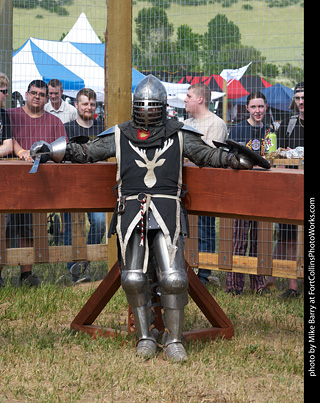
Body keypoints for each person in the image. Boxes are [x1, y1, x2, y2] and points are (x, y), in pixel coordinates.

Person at [30, 74, 257, 362]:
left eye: (153, 105)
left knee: (173, 278)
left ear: (162, 106)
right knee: (133, 277)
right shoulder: (119, 134)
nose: (148, 110)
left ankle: (174, 339)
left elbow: (204, 155)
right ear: (136, 105)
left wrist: (230, 159)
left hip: (166, 210)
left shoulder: (179, 133)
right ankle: (145, 336)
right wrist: (54, 151)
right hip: (131, 211)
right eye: (143, 105)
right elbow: (88, 152)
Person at [6, 79, 67, 286]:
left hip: (39, 185)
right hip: (8, 181)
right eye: (34, 93)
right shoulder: (10, 116)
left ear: (47, 98)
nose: (37, 97)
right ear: (26, 93)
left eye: (42, 95)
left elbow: (62, 151)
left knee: (28, 228)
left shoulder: (54, 122)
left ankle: (26, 274)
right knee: (4, 229)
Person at [225, 91, 272, 296]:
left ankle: (258, 284)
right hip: (242, 191)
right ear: (247, 109)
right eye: (253, 107)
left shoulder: (270, 131)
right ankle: (234, 285)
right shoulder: (238, 130)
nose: (257, 111)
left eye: (260, 107)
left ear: (266, 107)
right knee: (239, 238)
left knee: (259, 239)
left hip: (263, 192)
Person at [184, 83, 227, 285]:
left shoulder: (216, 124)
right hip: (183, 188)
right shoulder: (184, 124)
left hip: (205, 189)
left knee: (205, 230)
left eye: (189, 95)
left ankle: (205, 275)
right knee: (183, 230)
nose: (185, 99)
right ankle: (185, 270)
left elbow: (209, 158)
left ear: (200, 99)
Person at [62, 88, 106, 284]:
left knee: (100, 222)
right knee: (71, 227)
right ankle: (73, 270)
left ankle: (84, 261)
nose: (89, 107)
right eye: (85, 103)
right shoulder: (67, 128)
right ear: (76, 105)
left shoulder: (102, 129)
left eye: (92, 104)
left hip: (95, 186)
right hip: (71, 186)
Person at [267, 82, 304, 298]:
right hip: (291, 190)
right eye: (298, 98)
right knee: (287, 236)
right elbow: (279, 156)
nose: (301, 102)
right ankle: (291, 286)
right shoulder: (289, 125)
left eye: (304, 98)